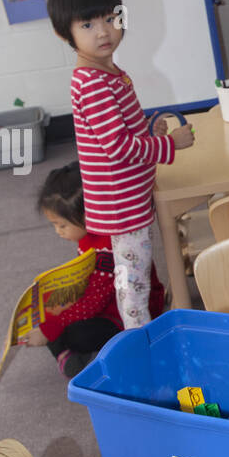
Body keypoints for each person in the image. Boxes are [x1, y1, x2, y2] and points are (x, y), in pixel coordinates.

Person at [47, 0, 194, 329]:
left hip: (126, 197)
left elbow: (113, 133)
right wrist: (167, 145)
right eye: (87, 25)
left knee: (138, 275)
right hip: (120, 208)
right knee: (133, 285)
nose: (103, 31)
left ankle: (142, 329)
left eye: (110, 18)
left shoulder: (106, 72)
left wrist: (146, 130)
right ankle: (137, 343)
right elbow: (116, 146)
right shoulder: (94, 82)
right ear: (63, 32)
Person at [20, 162, 165, 378]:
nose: (58, 232)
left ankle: (68, 353)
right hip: (103, 303)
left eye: (62, 225)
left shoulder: (109, 248)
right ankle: (66, 352)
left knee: (64, 330)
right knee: (49, 310)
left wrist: (51, 327)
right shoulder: (91, 236)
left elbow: (93, 304)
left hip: (121, 316)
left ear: (87, 215)